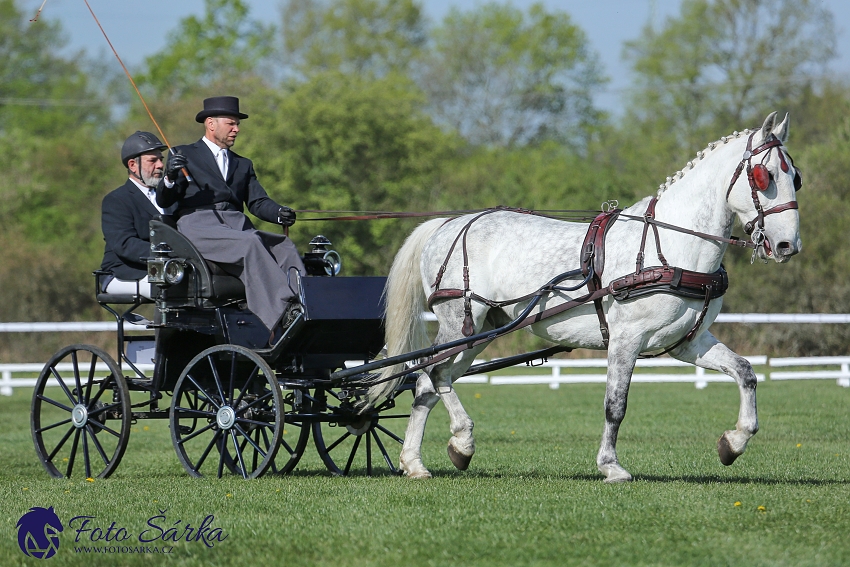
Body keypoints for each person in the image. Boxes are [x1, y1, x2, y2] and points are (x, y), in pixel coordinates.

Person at [156, 96, 305, 343]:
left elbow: (257, 203)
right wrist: (170, 177)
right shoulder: (183, 155)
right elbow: (165, 200)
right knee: (250, 244)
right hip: (199, 225)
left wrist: (279, 212)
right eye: (231, 123)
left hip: (236, 225)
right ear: (211, 124)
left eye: (237, 124)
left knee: (284, 246)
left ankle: (305, 306)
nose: (236, 129)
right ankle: (283, 313)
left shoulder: (242, 164)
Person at [100, 131, 173, 299]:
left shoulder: (169, 198)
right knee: (170, 290)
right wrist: (168, 254)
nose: (160, 165)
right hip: (125, 273)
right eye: (152, 160)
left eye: (161, 159)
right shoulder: (116, 200)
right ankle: (165, 326)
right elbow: (124, 244)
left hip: (166, 269)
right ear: (133, 165)